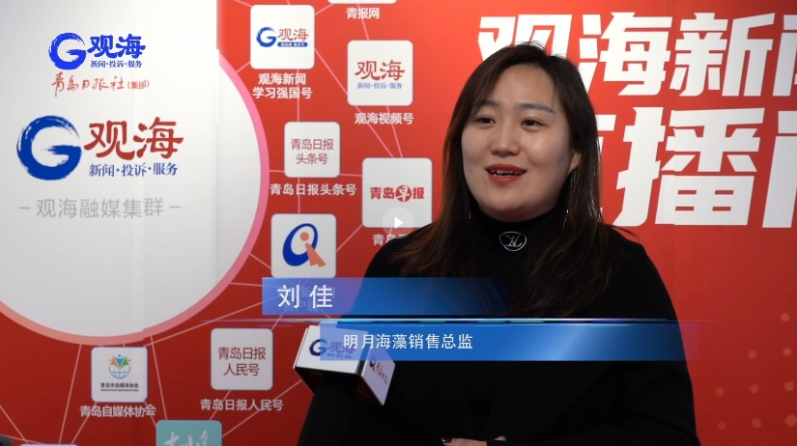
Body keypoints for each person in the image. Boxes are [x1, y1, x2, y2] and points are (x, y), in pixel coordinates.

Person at [342, 42, 700, 446]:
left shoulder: (621, 271)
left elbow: (668, 435)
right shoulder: (398, 267)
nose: (503, 142)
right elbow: (340, 421)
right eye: (484, 119)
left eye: (531, 122)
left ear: (577, 150)